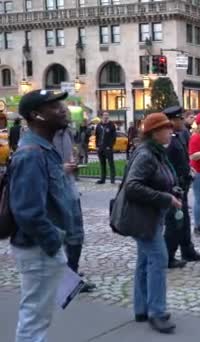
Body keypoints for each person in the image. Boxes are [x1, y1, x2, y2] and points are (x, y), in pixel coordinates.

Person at [9, 90, 79, 342]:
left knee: (39, 317)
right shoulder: (31, 154)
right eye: (54, 106)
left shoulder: (44, 149)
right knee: (34, 319)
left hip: (44, 248)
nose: (63, 109)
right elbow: (28, 212)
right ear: (36, 115)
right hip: (39, 250)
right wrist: (53, 242)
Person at [123, 112, 180, 334]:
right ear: (155, 132)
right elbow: (133, 186)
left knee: (145, 260)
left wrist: (171, 188)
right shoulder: (146, 154)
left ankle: (141, 308)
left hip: (150, 215)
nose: (170, 131)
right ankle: (157, 311)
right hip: (143, 217)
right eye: (166, 128)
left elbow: (158, 178)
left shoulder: (155, 153)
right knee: (158, 258)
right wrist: (166, 197)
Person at [52, 126, 97, 293]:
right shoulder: (42, 135)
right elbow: (39, 167)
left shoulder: (67, 132)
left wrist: (73, 162)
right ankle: (66, 281)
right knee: (63, 238)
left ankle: (71, 277)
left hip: (71, 192)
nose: (64, 112)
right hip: (56, 196)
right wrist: (61, 168)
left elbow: (69, 156)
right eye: (59, 107)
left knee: (76, 236)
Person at [162, 106, 200, 269]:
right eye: (180, 118)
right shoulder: (168, 141)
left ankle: (188, 250)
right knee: (174, 222)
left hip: (183, 185)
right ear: (172, 120)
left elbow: (183, 159)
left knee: (184, 221)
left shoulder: (178, 136)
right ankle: (169, 256)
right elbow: (166, 165)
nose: (183, 121)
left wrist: (189, 169)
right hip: (174, 187)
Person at [95, 111, 117, 184]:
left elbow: (114, 137)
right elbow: (97, 136)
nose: (106, 116)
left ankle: (112, 179)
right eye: (104, 115)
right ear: (102, 116)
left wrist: (110, 146)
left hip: (108, 148)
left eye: (107, 115)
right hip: (100, 148)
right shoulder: (99, 125)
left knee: (111, 163)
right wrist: (97, 146)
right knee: (102, 164)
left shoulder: (111, 125)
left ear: (108, 116)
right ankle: (102, 179)